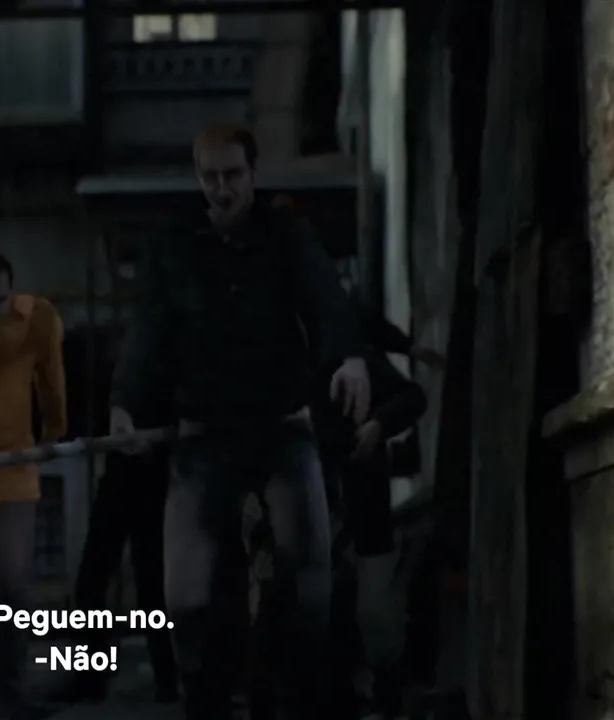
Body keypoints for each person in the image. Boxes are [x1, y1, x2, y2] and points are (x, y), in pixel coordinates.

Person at [109, 122, 370, 720]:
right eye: (210, 177)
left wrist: (349, 358)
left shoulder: (286, 235)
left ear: (253, 174)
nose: (222, 189)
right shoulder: (175, 246)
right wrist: (125, 402)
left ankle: (302, 706)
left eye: (232, 175)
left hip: (282, 427)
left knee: (309, 585)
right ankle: (205, 704)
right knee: (187, 598)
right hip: (204, 434)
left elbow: (325, 296)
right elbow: (147, 329)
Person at [46, 331, 179, 707]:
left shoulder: (179, 333)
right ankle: (90, 677)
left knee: (152, 578)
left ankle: (168, 677)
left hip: (164, 465)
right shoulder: (136, 344)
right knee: (96, 574)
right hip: (126, 464)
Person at [0, 251, 67, 719]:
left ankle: (9, 690)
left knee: (9, 579)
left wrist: (54, 435)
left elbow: (52, 379)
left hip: (12, 460)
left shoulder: (35, 318)